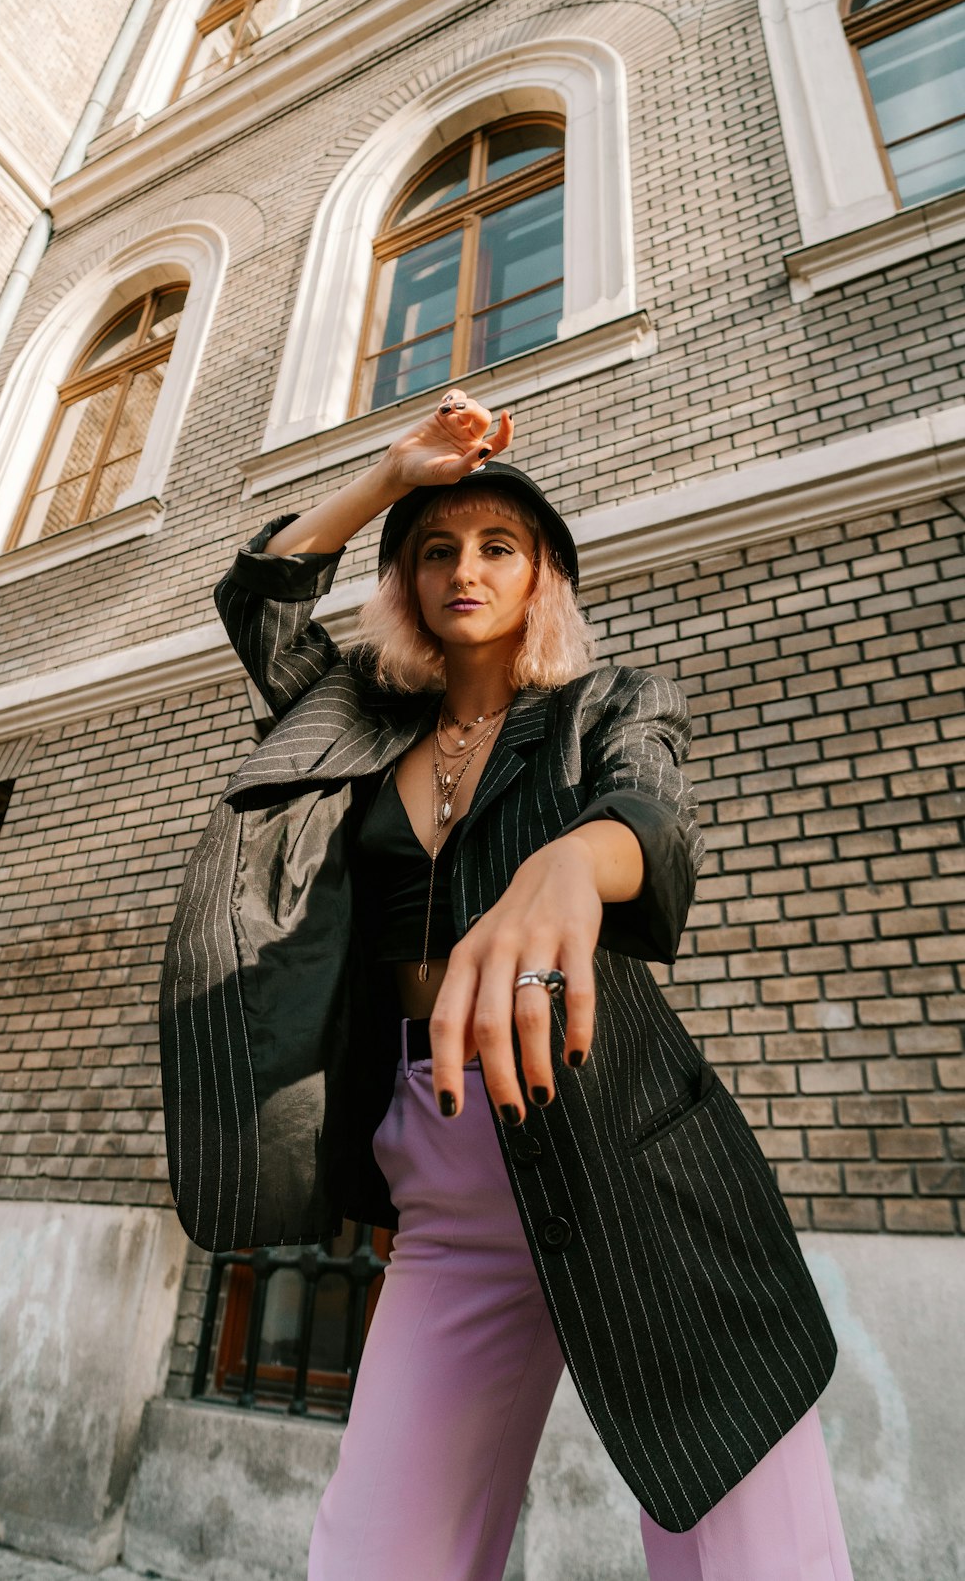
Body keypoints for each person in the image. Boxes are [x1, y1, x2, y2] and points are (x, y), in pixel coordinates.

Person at [159, 392, 854, 1581]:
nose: (463, 569)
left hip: (630, 1150)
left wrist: (568, 863)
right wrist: (393, 472)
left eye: (496, 547)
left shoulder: (605, 707)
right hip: (442, 1173)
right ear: (406, 580)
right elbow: (258, 597)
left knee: (748, 1553)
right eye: (436, 551)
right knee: (379, 1552)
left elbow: (653, 819)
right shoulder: (358, 722)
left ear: (543, 578)